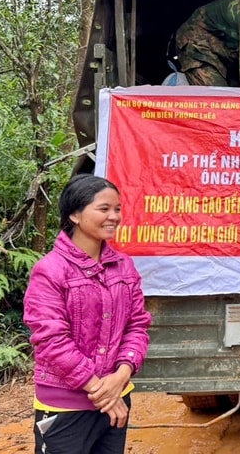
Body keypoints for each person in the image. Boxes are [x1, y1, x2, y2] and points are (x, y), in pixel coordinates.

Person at [24, 174, 152, 454]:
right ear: (75, 214)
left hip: (117, 397)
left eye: (117, 209)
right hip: (66, 405)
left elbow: (137, 326)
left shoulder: (124, 267)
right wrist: (101, 392)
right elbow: (52, 341)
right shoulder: (50, 270)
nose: (114, 216)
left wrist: (121, 375)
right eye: (103, 209)